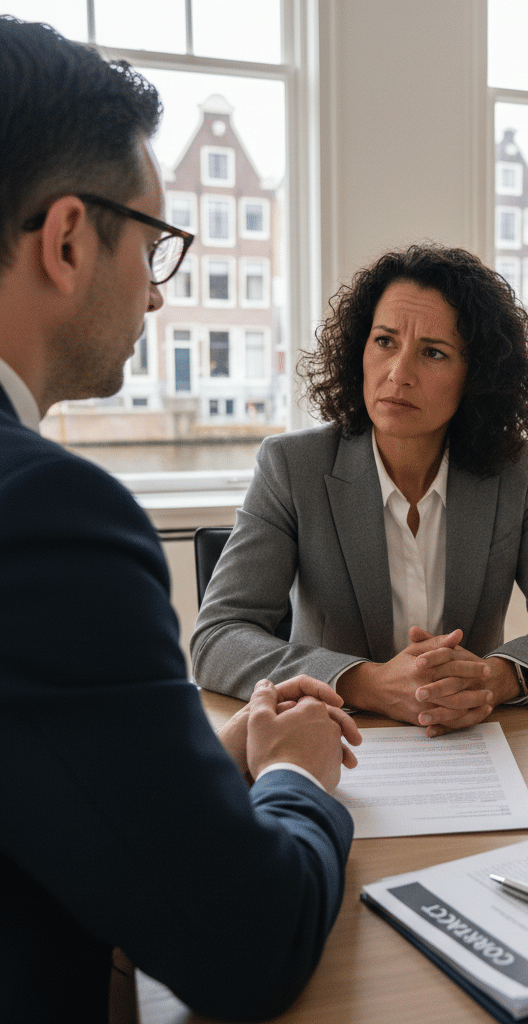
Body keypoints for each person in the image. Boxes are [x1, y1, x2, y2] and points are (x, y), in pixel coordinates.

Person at [0, 17, 361, 1023]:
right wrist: (298, 779)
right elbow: (248, 944)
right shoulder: (47, 514)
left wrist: (207, 757)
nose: (158, 298)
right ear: (70, 238)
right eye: (154, 244)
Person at [192, 244, 528, 737]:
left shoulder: (514, 471)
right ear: (359, 351)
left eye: (433, 352)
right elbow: (217, 639)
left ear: (476, 376)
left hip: (466, 744)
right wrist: (366, 683)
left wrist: (494, 678)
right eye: (385, 341)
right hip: (334, 738)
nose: (399, 373)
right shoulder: (292, 467)